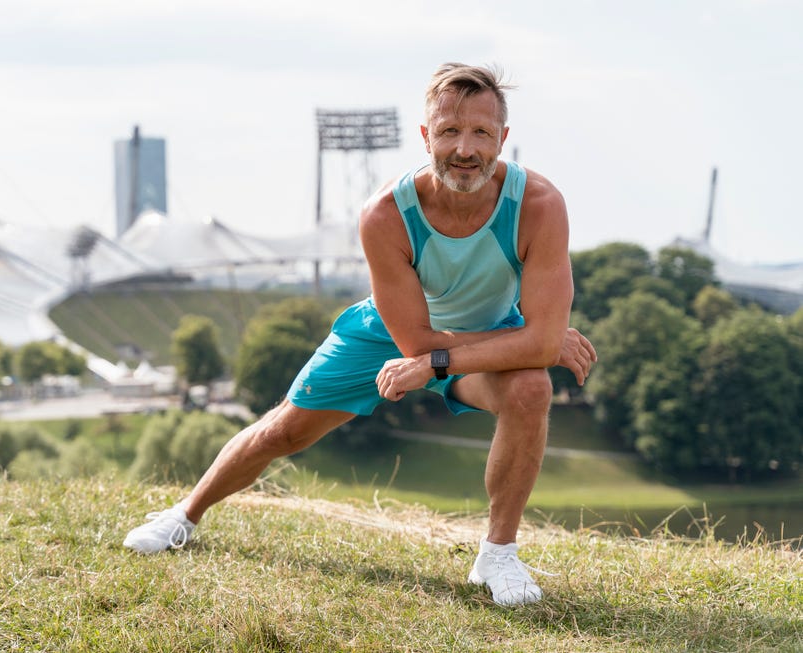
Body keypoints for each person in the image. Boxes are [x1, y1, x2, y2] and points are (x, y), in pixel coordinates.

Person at [123, 62, 598, 607]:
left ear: (504, 140)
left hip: (486, 333)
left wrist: (503, 349)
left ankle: (498, 556)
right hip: (392, 333)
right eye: (448, 131)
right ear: (426, 137)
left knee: (531, 388)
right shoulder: (385, 214)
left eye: (481, 133)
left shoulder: (538, 205)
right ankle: (184, 514)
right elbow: (419, 343)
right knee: (284, 432)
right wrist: (523, 342)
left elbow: (530, 348)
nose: (464, 148)